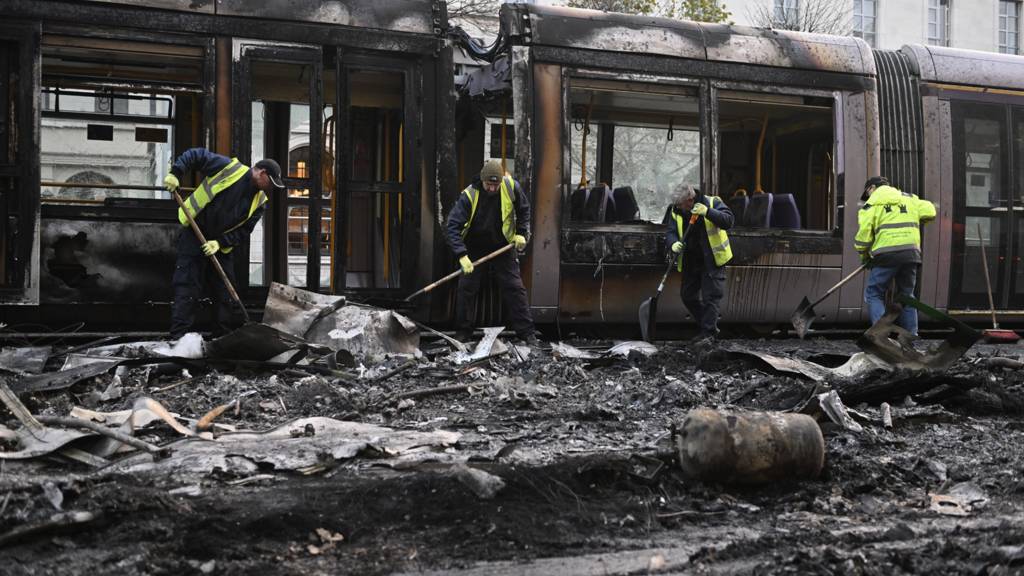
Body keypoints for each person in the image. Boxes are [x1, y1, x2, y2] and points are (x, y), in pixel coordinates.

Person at [164, 148, 285, 338]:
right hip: (194, 234)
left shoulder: (260, 202)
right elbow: (195, 155)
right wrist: (176, 173)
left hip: (219, 247)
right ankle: (178, 340)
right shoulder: (229, 168)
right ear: (262, 173)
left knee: (225, 295)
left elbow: (243, 231)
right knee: (187, 289)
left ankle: (223, 338)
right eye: (270, 182)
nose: (270, 187)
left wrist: (219, 243)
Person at [445, 160, 538, 345]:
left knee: (515, 288)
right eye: (489, 184)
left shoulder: (511, 187)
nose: (493, 189)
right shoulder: (469, 195)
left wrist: (521, 233)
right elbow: (452, 226)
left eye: (496, 185)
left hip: (503, 245)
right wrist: (461, 255)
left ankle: (527, 333)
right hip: (474, 247)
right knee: (466, 288)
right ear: (482, 180)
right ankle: (463, 332)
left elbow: (524, 210)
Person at [855, 176, 936, 335]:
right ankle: (912, 336)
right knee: (907, 296)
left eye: (867, 193)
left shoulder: (870, 206)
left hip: (885, 256)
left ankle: (881, 335)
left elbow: (863, 240)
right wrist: (918, 220)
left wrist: (865, 257)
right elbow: (931, 211)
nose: (868, 197)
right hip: (910, 254)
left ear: (871, 188)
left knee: (874, 293)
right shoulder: (910, 199)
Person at [665, 184, 734, 342]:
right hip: (691, 261)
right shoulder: (676, 210)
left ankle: (708, 335)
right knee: (687, 296)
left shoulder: (712, 202)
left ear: (690, 200)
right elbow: (671, 231)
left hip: (712, 260)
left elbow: (729, 221)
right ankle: (708, 326)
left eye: (680, 204)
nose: (677, 207)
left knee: (711, 298)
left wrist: (707, 212)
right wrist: (673, 243)